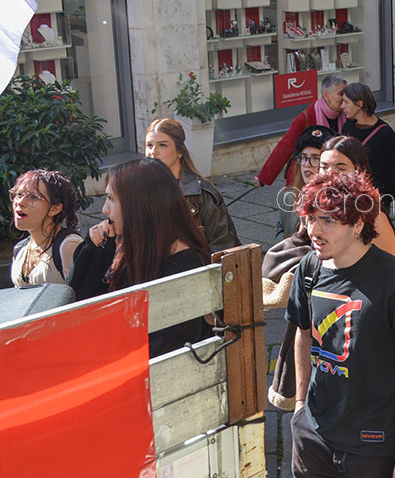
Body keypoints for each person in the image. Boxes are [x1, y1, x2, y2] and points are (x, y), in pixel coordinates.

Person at [287, 170, 395, 478]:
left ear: (357, 224)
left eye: (328, 221)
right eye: (310, 219)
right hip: (314, 437)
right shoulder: (309, 268)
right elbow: (303, 333)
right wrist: (299, 407)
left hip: (374, 445)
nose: (314, 231)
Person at [67, 158, 211, 356]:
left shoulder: (184, 264)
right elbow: (80, 303)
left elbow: (165, 347)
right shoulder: (137, 246)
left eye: (111, 199)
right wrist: (95, 251)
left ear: (139, 205)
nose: (104, 210)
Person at [145, 118, 240, 252]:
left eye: (162, 145)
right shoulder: (138, 189)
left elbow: (224, 246)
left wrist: (190, 253)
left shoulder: (202, 194)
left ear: (179, 151)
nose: (153, 152)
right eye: (149, 145)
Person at [257, 74, 347, 187]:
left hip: (332, 173)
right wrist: (264, 178)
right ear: (326, 95)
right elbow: (284, 147)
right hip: (305, 176)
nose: (345, 98)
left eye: (346, 93)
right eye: (341, 93)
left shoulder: (347, 114)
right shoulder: (307, 117)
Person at [319, 135, 395, 256]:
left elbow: (390, 263)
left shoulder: (375, 217)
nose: (329, 174)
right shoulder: (315, 206)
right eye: (324, 167)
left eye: (340, 168)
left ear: (359, 171)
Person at [10, 169, 83, 287]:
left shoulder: (68, 245)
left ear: (54, 209)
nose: (20, 202)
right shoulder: (20, 250)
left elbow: (84, 294)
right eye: (19, 194)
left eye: (33, 197)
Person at [340, 82, 395, 204]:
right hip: (351, 193)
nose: (342, 106)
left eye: (346, 102)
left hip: (376, 196)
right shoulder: (347, 127)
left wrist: (393, 195)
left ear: (359, 104)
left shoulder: (385, 133)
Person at [275, 125, 337, 242]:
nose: (307, 164)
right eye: (304, 158)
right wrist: (286, 247)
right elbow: (280, 228)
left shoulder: (334, 202)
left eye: (315, 158)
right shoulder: (290, 196)